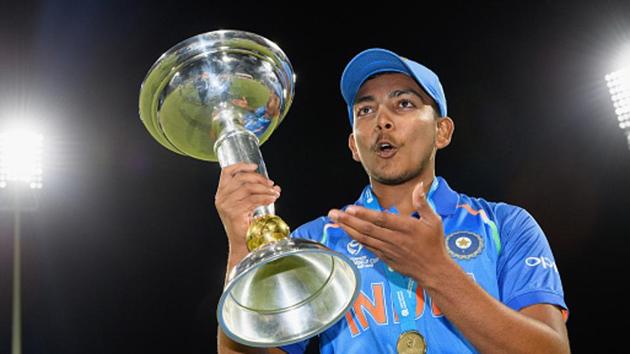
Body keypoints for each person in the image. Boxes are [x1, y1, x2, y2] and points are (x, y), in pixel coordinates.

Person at [215, 48, 570, 354]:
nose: (382, 121)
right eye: (365, 111)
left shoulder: (505, 224)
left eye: (404, 103)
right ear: (354, 145)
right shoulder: (315, 244)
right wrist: (241, 248)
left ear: (442, 131)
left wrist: (437, 273)